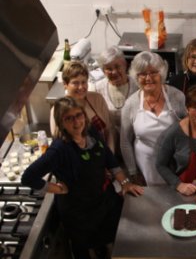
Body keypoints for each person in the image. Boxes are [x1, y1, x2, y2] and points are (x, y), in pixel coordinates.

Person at [22, 97, 144, 259]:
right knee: (84, 250)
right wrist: (57, 189)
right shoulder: (59, 150)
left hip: (103, 202)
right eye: (68, 118)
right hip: (79, 213)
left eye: (79, 115)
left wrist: (125, 183)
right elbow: (28, 177)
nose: (76, 122)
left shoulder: (91, 131)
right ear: (60, 122)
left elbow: (109, 158)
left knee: (112, 239)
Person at [120, 51, 187, 186]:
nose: (148, 78)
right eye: (142, 74)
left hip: (174, 165)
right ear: (136, 77)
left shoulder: (177, 96)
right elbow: (125, 141)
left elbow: (189, 133)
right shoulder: (130, 104)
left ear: (161, 73)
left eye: (153, 73)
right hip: (145, 167)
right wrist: (133, 172)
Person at [50, 61, 115, 153]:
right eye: (75, 83)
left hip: (104, 160)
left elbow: (109, 131)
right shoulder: (57, 109)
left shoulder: (97, 99)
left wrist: (110, 159)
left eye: (84, 82)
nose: (81, 87)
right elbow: (59, 143)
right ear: (65, 84)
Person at [95, 46, 139, 154]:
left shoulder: (138, 85)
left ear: (125, 65)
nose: (114, 72)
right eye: (109, 69)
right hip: (110, 145)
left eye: (117, 66)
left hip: (135, 143)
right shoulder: (97, 88)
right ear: (103, 71)